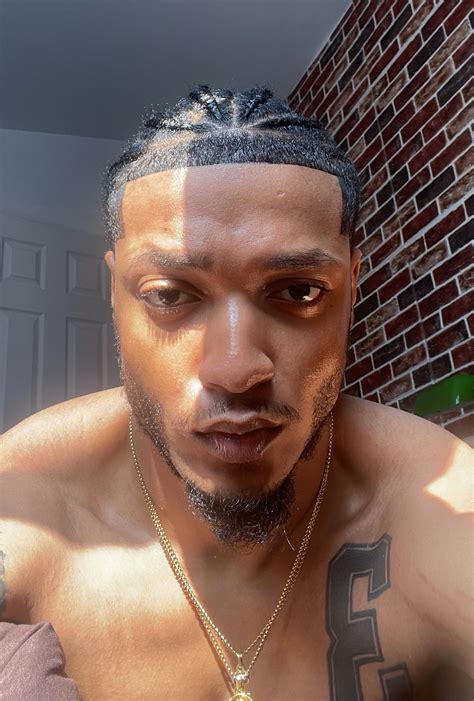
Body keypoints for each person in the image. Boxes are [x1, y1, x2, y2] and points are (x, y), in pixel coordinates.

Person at [0, 86, 472, 701]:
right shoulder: (28, 506)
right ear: (115, 294)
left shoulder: (429, 505)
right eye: (170, 294)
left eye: (299, 291)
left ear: (352, 287)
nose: (235, 369)